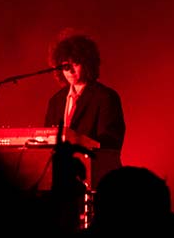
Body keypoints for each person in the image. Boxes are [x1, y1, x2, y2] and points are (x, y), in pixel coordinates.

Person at [42, 32, 125, 182]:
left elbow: (111, 142)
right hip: (63, 180)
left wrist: (77, 145)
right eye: (65, 66)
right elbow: (47, 141)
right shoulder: (55, 101)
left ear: (87, 64)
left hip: (99, 179)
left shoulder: (105, 97)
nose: (70, 70)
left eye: (75, 63)